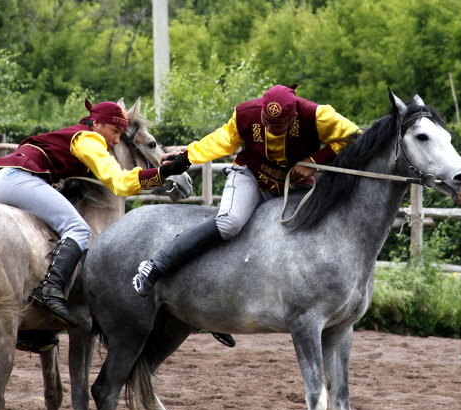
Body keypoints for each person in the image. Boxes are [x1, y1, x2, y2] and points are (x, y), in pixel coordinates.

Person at [0, 100, 190, 352]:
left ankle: (34, 328)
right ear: (97, 124)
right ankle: (50, 292)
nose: (115, 140)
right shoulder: (89, 140)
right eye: (114, 132)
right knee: (79, 230)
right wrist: (161, 174)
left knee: (44, 240)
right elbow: (119, 183)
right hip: (18, 181)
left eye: (120, 135)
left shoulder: (74, 136)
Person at [132, 83, 360, 299]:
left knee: (311, 229)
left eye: (278, 125)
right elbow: (219, 141)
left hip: (294, 186)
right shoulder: (245, 114)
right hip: (250, 176)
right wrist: (186, 157)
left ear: (294, 117)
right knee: (230, 223)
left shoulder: (318, 115)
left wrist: (313, 160)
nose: (270, 128)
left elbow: (354, 137)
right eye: (267, 122)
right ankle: (156, 265)